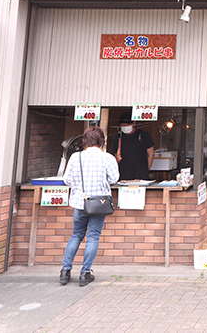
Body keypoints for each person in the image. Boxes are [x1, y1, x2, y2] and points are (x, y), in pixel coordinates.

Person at [60, 126, 119, 287]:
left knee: (76, 235)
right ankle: (85, 273)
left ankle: (65, 271)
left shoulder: (75, 157)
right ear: (102, 142)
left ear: (84, 140)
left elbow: (67, 180)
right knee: (93, 237)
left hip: (79, 203)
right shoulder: (107, 158)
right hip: (98, 204)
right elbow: (114, 178)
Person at [109, 112, 155, 180]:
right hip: (123, 176)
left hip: (141, 176)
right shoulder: (118, 138)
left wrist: (145, 170)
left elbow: (151, 155)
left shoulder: (144, 135)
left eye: (127, 125)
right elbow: (116, 157)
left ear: (134, 123)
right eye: (122, 125)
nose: (125, 127)